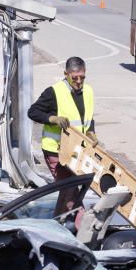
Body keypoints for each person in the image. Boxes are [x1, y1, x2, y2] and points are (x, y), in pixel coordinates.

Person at [28, 56, 98, 214]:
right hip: (56, 151)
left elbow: (88, 117)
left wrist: (91, 132)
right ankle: (67, 222)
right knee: (69, 188)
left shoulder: (88, 91)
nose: (79, 82)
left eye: (82, 77)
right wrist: (52, 118)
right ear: (66, 74)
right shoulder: (54, 92)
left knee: (72, 189)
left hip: (76, 151)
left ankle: (70, 221)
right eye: (75, 78)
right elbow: (33, 112)